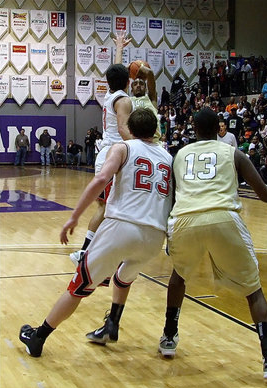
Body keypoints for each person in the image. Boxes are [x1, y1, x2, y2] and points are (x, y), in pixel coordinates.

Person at [19, 108, 173, 358]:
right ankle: (112, 323)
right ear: (155, 130)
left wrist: (74, 217)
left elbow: (102, 178)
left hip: (122, 226)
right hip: (155, 236)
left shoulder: (124, 148)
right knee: (124, 276)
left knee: (79, 286)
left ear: (130, 131)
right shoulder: (168, 157)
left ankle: (38, 337)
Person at [157, 107, 267, 381]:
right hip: (223, 217)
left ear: (193, 128)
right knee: (253, 290)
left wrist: (167, 231)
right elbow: (262, 193)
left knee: (178, 277)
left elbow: (172, 194)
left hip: (184, 220)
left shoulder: (180, 155)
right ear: (218, 128)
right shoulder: (233, 153)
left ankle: (169, 338)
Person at [70, 31, 161, 266]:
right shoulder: (124, 100)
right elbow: (122, 129)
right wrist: (141, 147)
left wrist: (119, 47)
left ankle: (101, 251)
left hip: (115, 152)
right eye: (134, 79)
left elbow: (118, 72)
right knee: (111, 210)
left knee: (112, 207)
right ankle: (92, 253)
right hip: (121, 152)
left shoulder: (112, 94)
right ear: (129, 82)